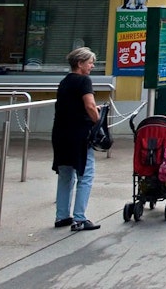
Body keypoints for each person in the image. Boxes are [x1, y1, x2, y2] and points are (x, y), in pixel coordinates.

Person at [52, 47, 102, 232]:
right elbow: (89, 105)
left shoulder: (64, 82)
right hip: (79, 134)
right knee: (86, 174)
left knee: (65, 174)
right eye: (90, 62)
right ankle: (80, 218)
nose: (92, 66)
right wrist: (98, 120)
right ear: (80, 63)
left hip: (60, 134)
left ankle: (62, 216)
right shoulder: (84, 81)